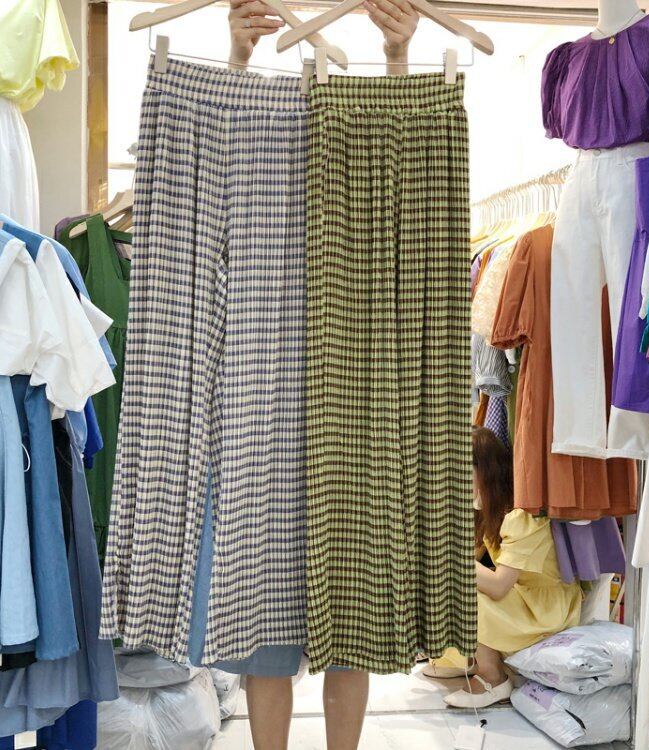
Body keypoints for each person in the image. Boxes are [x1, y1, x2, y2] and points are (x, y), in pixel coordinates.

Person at [223, 1, 419, 748]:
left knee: (352, 614)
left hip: (355, 395)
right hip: (263, 393)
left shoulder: (362, 143)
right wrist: (238, 58)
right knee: (265, 616)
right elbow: (217, 142)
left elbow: (408, 155)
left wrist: (396, 57)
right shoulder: (261, 142)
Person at [445, 427, 583, 709]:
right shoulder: (491, 510)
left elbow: (498, 585)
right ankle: (474, 662)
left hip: (545, 609)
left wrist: (449, 558)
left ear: (483, 470)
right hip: (525, 598)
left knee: (461, 592)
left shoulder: (521, 516)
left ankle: (493, 677)